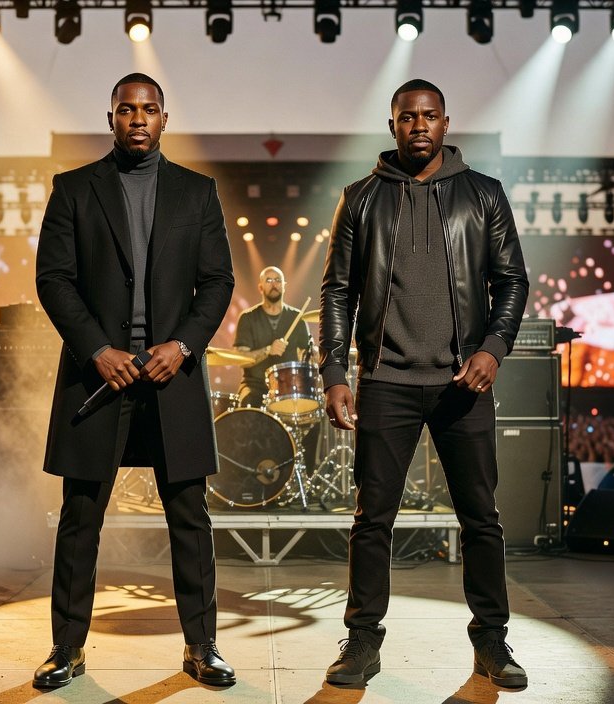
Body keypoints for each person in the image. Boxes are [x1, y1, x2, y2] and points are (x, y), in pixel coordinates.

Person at [318, 79, 528, 688]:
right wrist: (335, 372)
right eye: (407, 118)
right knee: (371, 519)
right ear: (393, 126)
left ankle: (492, 642)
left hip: (464, 381)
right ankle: (362, 642)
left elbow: (512, 281)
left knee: (481, 518)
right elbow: (337, 291)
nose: (418, 126)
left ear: (445, 123)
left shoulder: (483, 194)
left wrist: (493, 349)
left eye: (429, 117)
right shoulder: (360, 198)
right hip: (386, 378)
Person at [32, 73, 236, 690]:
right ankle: (66, 648)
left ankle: (202, 647)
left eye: (149, 109)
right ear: (112, 118)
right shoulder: (73, 189)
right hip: (98, 374)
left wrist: (184, 345)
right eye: (127, 109)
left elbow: (218, 282)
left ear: (164, 119)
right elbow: (53, 279)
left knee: (190, 517)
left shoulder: (198, 192)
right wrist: (97, 349)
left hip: (173, 374)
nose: (138, 118)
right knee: (80, 516)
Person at [232, 266, 314, 409]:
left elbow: (306, 355)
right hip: (254, 385)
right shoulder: (248, 318)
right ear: (260, 287)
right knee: (248, 402)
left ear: (284, 286)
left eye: (278, 280)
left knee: (307, 407)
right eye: (269, 280)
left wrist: (315, 354)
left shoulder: (297, 318)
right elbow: (240, 358)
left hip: (289, 385)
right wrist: (268, 350)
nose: (274, 284)